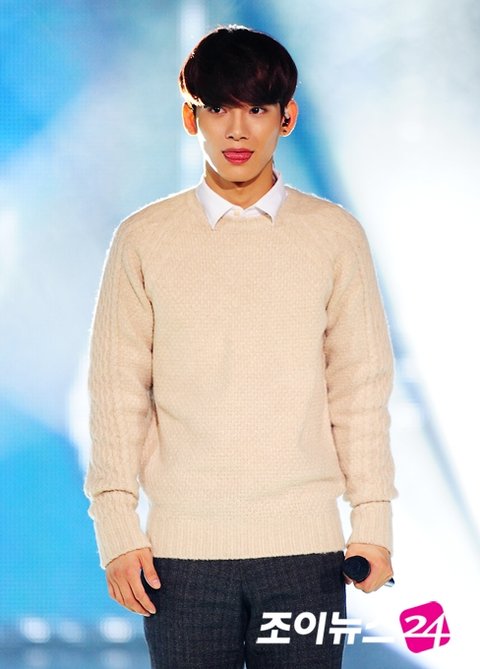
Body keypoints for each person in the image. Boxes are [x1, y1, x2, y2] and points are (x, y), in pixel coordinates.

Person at [84, 24, 397, 669]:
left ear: (287, 117)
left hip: (307, 556)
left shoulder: (334, 236)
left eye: (256, 108)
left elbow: (360, 389)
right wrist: (117, 529)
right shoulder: (144, 239)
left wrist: (373, 524)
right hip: (180, 561)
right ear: (189, 117)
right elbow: (116, 393)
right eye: (218, 108)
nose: (236, 130)